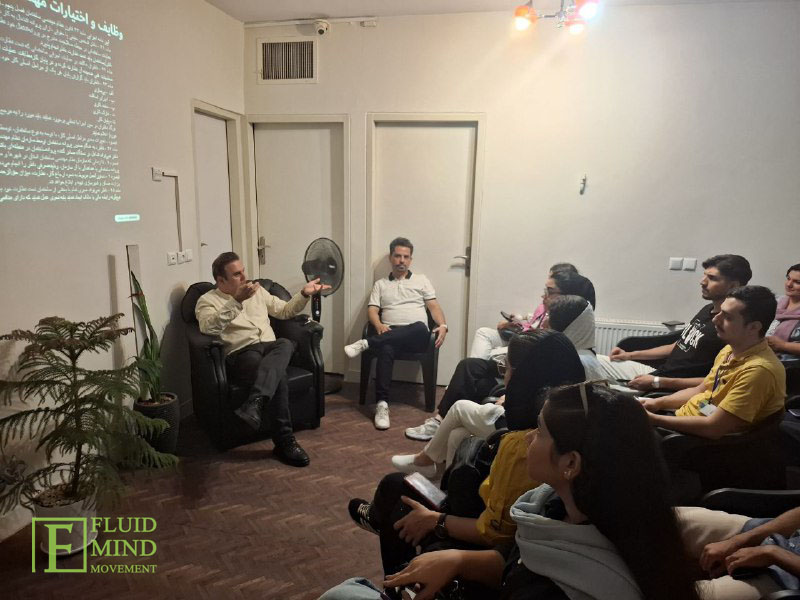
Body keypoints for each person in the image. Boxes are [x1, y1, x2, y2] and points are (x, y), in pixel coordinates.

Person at [322, 384, 700, 600]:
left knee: (344, 594)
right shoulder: (564, 509)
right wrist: (459, 561)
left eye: (541, 432)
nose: (530, 439)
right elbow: (518, 562)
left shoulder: (558, 590)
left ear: (570, 463)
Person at [404, 272, 595, 442]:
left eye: (549, 291)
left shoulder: (573, 359)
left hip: (521, 414)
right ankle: (446, 415)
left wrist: (508, 394)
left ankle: (440, 424)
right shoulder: (563, 345)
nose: (544, 296)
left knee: (467, 377)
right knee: (470, 371)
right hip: (519, 394)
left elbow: (538, 389)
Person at [389, 329, 585, 477]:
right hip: (509, 422)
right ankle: (444, 481)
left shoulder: (542, 410)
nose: (504, 374)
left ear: (523, 374)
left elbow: (518, 422)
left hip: (508, 429)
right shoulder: (557, 388)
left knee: (459, 407)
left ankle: (425, 459)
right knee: (458, 435)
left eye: (505, 368)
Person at [195, 251, 327, 467]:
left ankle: (255, 402)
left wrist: (304, 293)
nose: (244, 277)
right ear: (220, 280)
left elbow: (284, 311)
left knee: (285, 343)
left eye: (243, 271)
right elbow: (208, 328)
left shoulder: (257, 291)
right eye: (237, 274)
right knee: (278, 374)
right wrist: (236, 301)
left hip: (271, 348)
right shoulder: (207, 301)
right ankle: (285, 441)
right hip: (243, 353)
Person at [642, 285, 785, 439]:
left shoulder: (759, 371)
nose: (715, 319)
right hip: (682, 419)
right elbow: (700, 390)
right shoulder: (729, 350)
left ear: (753, 327)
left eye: (727, 317)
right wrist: (657, 403)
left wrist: (654, 419)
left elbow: (713, 428)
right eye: (720, 312)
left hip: (691, 441)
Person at [600, 254, 752, 393]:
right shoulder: (707, 309)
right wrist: (629, 355)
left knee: (595, 385)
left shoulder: (733, 328)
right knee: (591, 361)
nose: (702, 282)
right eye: (704, 275)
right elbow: (679, 345)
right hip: (657, 375)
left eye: (712, 278)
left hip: (668, 388)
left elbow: (718, 381)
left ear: (733, 286)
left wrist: (658, 382)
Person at [343, 237, 447, 430]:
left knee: (419, 327)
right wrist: (378, 324)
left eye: (406, 257)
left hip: (417, 336)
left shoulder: (421, 280)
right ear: (391, 258)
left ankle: (367, 343)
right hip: (389, 332)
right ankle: (382, 404)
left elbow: (433, 306)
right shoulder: (380, 284)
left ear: (410, 259)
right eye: (398, 256)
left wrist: (443, 325)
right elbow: (372, 310)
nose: (401, 260)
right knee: (386, 347)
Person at [677, 503, 800, 598]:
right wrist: (738, 541)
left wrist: (772, 553)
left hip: (789, 580)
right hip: (786, 537)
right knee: (675, 520)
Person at [468, 263, 582, 360]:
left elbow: (542, 337)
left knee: (486, 357)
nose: (544, 294)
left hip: (529, 345)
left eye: (550, 289)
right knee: (483, 332)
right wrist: (514, 324)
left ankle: (476, 368)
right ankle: (476, 369)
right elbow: (532, 325)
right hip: (522, 336)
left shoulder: (566, 312)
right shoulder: (543, 305)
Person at [766, 263, 800, 358]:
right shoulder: (775, 301)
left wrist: (783, 345)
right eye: (788, 279)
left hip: (791, 363)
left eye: (797, 282)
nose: (789, 284)